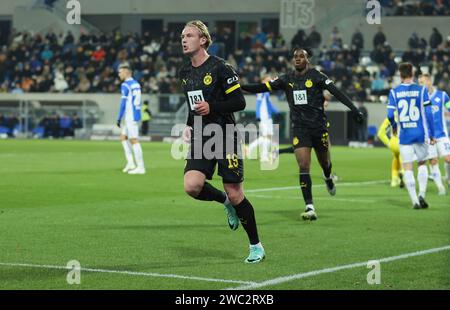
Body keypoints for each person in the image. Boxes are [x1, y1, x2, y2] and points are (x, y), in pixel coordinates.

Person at [242, 48, 363, 221]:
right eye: (295, 57)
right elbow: (262, 87)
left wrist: (355, 110)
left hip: (319, 127)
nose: (297, 59)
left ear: (308, 60)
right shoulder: (286, 79)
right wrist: (239, 87)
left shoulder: (317, 76)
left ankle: (328, 176)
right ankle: (309, 206)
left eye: (301, 56)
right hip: (300, 128)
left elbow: (337, 92)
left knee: (325, 162)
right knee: (304, 165)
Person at [179, 20, 265, 263]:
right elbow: (193, 104)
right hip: (201, 135)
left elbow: (239, 102)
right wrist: (188, 124)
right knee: (191, 186)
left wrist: (213, 106)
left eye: (189, 36)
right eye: (182, 36)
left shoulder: (221, 68)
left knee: (236, 193)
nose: (184, 40)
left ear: (203, 40)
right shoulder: (184, 73)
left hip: (225, 134)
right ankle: (225, 203)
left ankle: (256, 246)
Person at [387, 63, 435, 209]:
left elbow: (390, 115)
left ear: (400, 75)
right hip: (420, 133)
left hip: (405, 135)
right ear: (412, 74)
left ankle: (414, 201)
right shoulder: (422, 90)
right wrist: (432, 134)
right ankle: (422, 195)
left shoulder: (394, 92)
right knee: (422, 163)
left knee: (407, 167)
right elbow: (428, 113)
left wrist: (394, 126)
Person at [418, 73, 450, 193]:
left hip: (442, 135)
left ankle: (448, 178)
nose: (420, 85)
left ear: (429, 82)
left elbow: (449, 107)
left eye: (422, 82)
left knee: (448, 159)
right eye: (419, 83)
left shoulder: (442, 96)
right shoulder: (419, 98)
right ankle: (440, 188)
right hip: (428, 136)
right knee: (433, 161)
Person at [116, 63, 146, 175]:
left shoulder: (126, 85)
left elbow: (123, 103)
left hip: (130, 115)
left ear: (126, 72)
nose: (119, 74)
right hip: (134, 114)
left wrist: (119, 117)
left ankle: (141, 167)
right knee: (123, 137)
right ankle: (131, 163)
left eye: (120, 72)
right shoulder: (136, 84)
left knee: (134, 140)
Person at [245, 76, 279, 162]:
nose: (269, 81)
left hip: (268, 117)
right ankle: (263, 156)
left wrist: (276, 111)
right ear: (263, 81)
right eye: (267, 80)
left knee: (268, 137)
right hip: (263, 117)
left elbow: (269, 105)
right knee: (266, 137)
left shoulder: (266, 91)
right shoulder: (261, 91)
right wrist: (258, 116)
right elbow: (258, 103)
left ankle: (251, 149)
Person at [377, 116, 404, 188]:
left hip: (393, 142)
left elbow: (380, 133)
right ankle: (403, 174)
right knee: (404, 160)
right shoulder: (407, 114)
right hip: (403, 141)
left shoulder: (391, 116)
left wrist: (388, 144)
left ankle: (394, 180)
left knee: (396, 158)